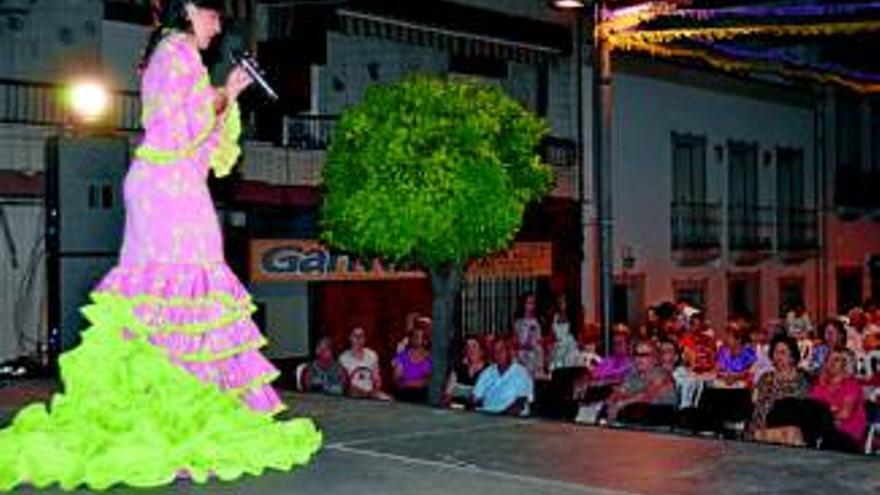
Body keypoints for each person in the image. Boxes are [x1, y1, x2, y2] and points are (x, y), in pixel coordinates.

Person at [0, 2, 321, 490]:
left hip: (172, 182)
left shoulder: (179, 56)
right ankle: (179, 407)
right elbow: (175, 130)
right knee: (186, 287)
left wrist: (225, 95)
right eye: (214, 15)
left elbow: (202, 145)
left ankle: (175, 402)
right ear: (191, 9)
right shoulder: (178, 51)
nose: (219, 26)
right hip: (168, 187)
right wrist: (225, 93)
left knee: (176, 293)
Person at [472, 337, 534, 416]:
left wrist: (500, 416)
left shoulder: (521, 373)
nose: (497, 354)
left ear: (509, 351)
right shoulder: (487, 372)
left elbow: (520, 403)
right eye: (495, 351)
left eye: (501, 350)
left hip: (510, 420)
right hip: (486, 416)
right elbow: (475, 398)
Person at [339, 326, 391, 401]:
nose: (358, 338)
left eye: (361, 336)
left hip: (371, 394)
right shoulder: (343, 358)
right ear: (350, 338)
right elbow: (343, 384)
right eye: (355, 335)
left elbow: (376, 378)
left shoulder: (372, 355)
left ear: (364, 339)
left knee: (388, 399)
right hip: (353, 396)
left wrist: (377, 383)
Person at [443, 337, 488, 408]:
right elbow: (448, 393)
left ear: (481, 351)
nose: (471, 350)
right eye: (468, 347)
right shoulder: (458, 368)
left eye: (474, 346)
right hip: (455, 410)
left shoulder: (488, 370)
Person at [391, 325, 432, 402]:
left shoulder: (428, 359)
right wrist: (413, 383)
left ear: (424, 340)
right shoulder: (402, 357)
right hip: (403, 393)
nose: (415, 339)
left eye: (418, 337)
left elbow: (427, 380)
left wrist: (409, 383)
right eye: (413, 336)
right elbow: (397, 379)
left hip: (421, 394)